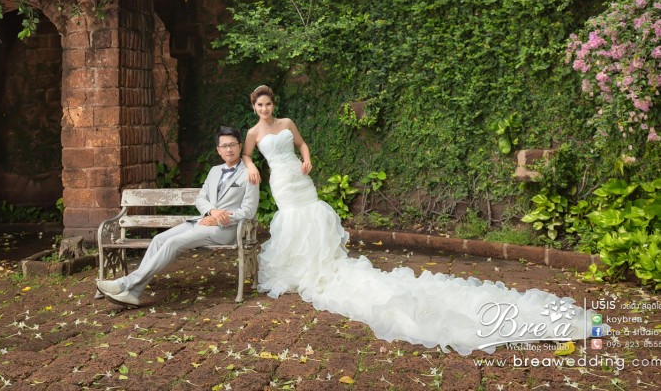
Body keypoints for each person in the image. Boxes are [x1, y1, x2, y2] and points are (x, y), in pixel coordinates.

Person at [242, 85, 597, 355]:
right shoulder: (254, 133)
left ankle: (319, 262)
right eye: (259, 105)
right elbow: (244, 155)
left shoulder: (287, 123)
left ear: (274, 104)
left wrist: (307, 160)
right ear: (254, 108)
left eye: (268, 104)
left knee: (313, 217)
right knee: (293, 220)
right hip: (281, 183)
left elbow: (302, 145)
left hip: (300, 178)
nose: (264, 109)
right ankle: (300, 265)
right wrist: (252, 164)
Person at [96, 125, 259, 307]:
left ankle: (125, 284)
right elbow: (201, 198)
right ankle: (134, 293)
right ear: (218, 150)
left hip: (225, 229)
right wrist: (211, 211)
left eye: (232, 145)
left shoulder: (250, 173)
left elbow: (249, 211)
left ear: (239, 146)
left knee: (173, 243)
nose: (229, 149)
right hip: (202, 221)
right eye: (224, 146)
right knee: (158, 239)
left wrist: (220, 217)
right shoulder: (214, 171)